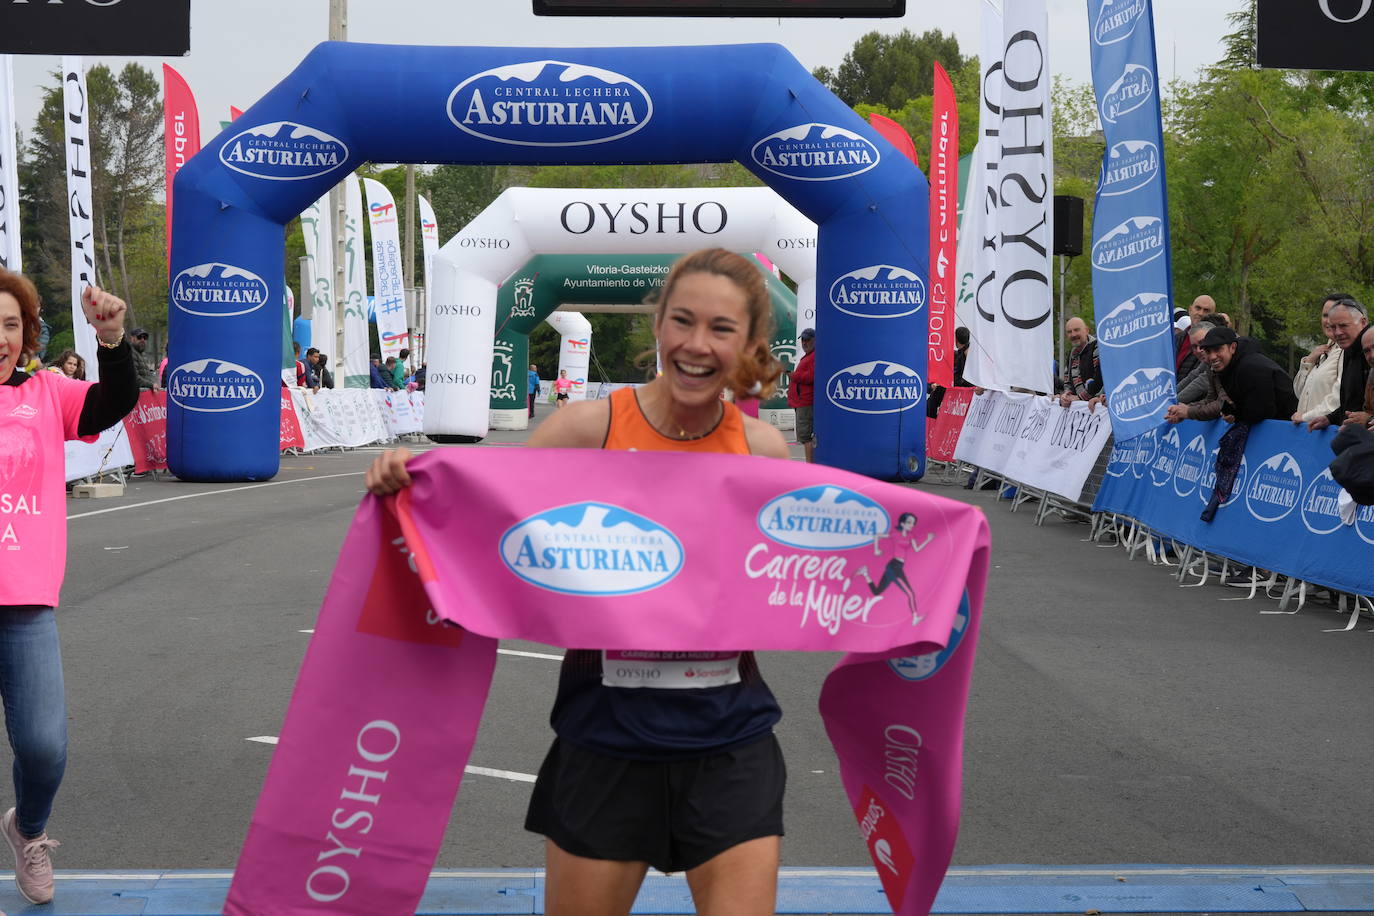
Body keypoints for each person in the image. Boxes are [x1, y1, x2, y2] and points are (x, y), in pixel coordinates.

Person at [366, 248, 790, 916]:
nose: (696, 344)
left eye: (721, 329)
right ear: (657, 325)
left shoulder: (764, 453)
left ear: (749, 345)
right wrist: (413, 483)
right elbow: (483, 519)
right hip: (606, 744)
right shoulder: (585, 430)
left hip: (729, 745)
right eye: (682, 320)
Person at [0, 272, 138, 907]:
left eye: (10, 325)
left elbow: (113, 403)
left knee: (45, 748)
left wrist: (111, 339)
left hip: (25, 606)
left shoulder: (45, 392)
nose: (0, 338)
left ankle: (27, 830)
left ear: (27, 334)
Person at [853, 512, 933, 625]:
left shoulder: (911, 536)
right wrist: (876, 549)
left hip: (897, 567)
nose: (912, 525)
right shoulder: (895, 534)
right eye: (909, 522)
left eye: (913, 523)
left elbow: (917, 549)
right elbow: (877, 535)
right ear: (902, 523)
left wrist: (928, 540)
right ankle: (915, 618)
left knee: (877, 592)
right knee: (910, 594)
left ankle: (865, 574)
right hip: (894, 567)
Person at [1307, 298, 1370, 431]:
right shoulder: (1348, 350)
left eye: (1343, 326)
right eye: (1333, 327)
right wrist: (1330, 418)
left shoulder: (1367, 348)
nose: (1337, 333)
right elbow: (1351, 403)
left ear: (1363, 322)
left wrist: (1369, 419)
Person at [1292, 294, 1349, 426]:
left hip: (1327, 432)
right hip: (1309, 432)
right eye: (1325, 315)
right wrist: (1309, 361)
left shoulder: (1346, 352)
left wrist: (1306, 417)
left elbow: (1338, 399)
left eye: (1334, 316)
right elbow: (1300, 393)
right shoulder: (1323, 352)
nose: (1329, 321)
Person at [1059, 317, 1104, 408]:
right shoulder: (1072, 353)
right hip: (1082, 410)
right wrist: (1066, 396)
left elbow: (1100, 380)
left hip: (1098, 407)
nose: (1073, 334)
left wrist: (1078, 398)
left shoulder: (1097, 347)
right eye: (1069, 332)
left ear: (1086, 330)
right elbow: (1067, 381)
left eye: (1076, 330)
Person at [788, 327, 815, 462]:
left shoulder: (813, 356)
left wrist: (791, 375)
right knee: (806, 437)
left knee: (806, 437)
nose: (804, 343)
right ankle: (810, 464)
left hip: (806, 402)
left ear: (815, 340)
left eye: (808, 340)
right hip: (802, 401)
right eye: (803, 340)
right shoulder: (809, 356)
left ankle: (810, 465)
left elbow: (810, 377)